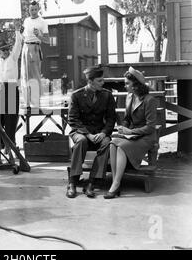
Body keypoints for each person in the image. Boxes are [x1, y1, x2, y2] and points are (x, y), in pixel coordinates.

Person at [105, 67, 157, 199]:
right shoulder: (130, 97)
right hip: (132, 135)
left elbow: (151, 127)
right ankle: (115, 183)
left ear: (136, 85)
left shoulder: (149, 100)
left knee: (122, 147)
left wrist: (131, 131)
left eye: (127, 83)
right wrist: (124, 128)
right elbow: (127, 119)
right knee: (113, 143)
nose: (125, 85)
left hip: (146, 137)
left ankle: (116, 184)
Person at [67, 66, 116, 198]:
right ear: (90, 81)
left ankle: (92, 183)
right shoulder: (76, 96)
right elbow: (73, 120)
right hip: (80, 132)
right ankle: (73, 182)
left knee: (107, 142)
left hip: (99, 133)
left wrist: (104, 133)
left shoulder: (107, 95)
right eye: (100, 80)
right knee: (81, 141)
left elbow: (112, 119)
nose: (103, 83)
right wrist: (88, 134)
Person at [0, 20, 23, 156]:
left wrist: (17, 30)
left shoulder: (13, 57)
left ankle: (10, 145)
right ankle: (2, 144)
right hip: (1, 89)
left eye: (7, 49)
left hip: (12, 89)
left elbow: (18, 45)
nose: (5, 51)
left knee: (11, 119)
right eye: (2, 50)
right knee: (1, 119)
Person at [21, 1, 49, 108]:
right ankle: (27, 102)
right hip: (25, 47)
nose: (33, 11)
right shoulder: (26, 20)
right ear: (29, 10)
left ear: (38, 9)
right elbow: (24, 36)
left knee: (34, 75)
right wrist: (19, 32)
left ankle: (35, 102)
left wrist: (39, 35)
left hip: (35, 47)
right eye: (31, 9)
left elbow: (47, 40)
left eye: (35, 9)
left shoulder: (42, 22)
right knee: (25, 76)